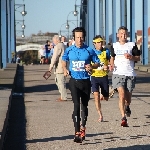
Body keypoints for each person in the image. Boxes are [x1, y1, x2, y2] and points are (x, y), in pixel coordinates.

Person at [62, 27, 100, 143]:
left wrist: (92, 66)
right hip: (74, 81)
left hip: (86, 81)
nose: (79, 39)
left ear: (84, 37)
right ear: (74, 38)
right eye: (77, 37)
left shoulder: (89, 50)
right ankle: (77, 131)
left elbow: (97, 62)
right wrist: (64, 68)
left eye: (81, 37)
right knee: (76, 106)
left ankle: (83, 126)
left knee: (84, 106)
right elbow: (64, 60)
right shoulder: (69, 50)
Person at [109, 26, 141, 127]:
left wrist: (131, 57)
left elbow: (138, 58)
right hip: (118, 73)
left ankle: (127, 106)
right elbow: (112, 58)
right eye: (122, 33)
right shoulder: (114, 46)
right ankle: (123, 118)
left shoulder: (132, 45)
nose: (124, 35)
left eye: (125, 34)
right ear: (118, 35)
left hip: (130, 74)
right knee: (121, 94)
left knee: (128, 99)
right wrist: (111, 64)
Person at [91, 35, 110, 122]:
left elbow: (111, 63)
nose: (100, 44)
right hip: (94, 77)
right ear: (94, 44)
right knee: (96, 96)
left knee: (106, 98)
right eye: (98, 42)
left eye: (101, 42)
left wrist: (108, 66)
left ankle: (106, 94)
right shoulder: (90, 52)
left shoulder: (106, 52)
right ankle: (100, 115)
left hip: (104, 76)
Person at [49, 35, 67, 101]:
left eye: (54, 41)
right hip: (63, 66)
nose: (53, 42)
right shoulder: (64, 45)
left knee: (60, 82)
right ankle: (62, 95)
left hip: (60, 67)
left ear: (56, 40)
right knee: (59, 81)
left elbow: (55, 57)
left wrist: (51, 66)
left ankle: (63, 97)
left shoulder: (58, 46)